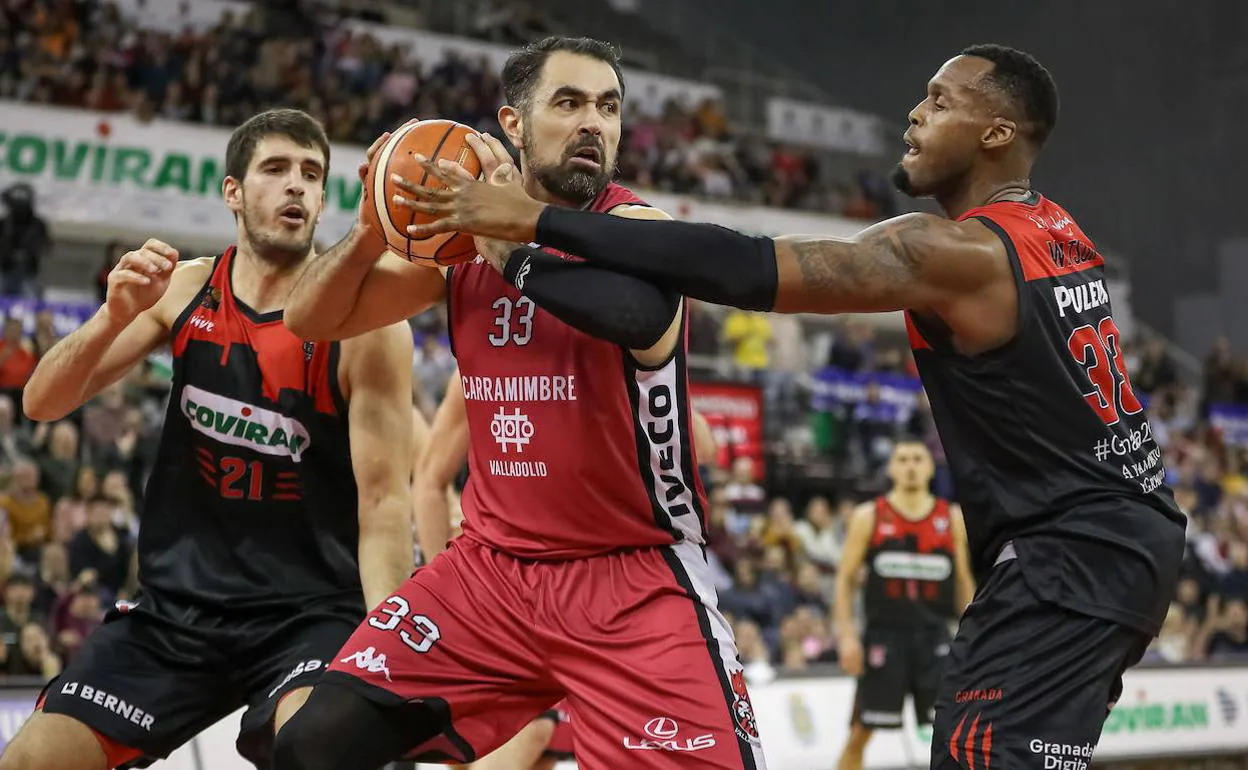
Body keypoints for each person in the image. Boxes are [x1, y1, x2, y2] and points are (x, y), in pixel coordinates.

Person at [400, 44, 1189, 769]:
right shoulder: (1056, 229)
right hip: (1120, 539)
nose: (916, 113)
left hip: (1073, 551)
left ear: (997, 134)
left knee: (982, 753)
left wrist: (531, 223)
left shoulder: (962, 252)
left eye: (942, 101)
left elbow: (748, 269)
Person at [275, 36, 766, 770]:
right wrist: (373, 223)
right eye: (568, 104)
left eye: (608, 106)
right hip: (492, 571)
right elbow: (308, 320)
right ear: (513, 123)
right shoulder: (456, 251)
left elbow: (635, 315)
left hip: (633, 576)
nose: (593, 123)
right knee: (311, 744)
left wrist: (502, 242)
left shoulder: (638, 228)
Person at [0, 108, 416, 770]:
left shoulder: (367, 325)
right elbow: (43, 402)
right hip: (176, 612)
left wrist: (388, 637)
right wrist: (112, 317)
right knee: (31, 761)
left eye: (312, 174)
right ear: (232, 192)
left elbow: (387, 503)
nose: (297, 187)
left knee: (318, 749)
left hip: (307, 613)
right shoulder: (188, 288)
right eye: (275, 169)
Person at [834, 441, 974, 770]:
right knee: (860, 731)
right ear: (891, 468)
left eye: (917, 459)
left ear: (930, 468)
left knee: (955, 730)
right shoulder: (869, 515)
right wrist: (847, 636)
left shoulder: (951, 516)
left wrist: (973, 635)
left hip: (935, 636)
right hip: (884, 637)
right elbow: (844, 580)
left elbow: (963, 579)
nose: (910, 465)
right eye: (902, 459)